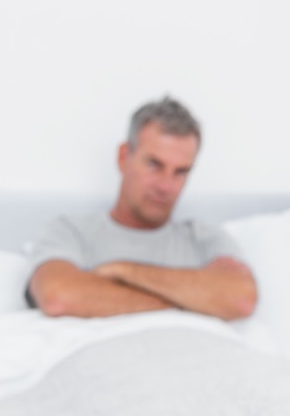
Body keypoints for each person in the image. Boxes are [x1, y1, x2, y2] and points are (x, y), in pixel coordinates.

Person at [26, 97, 258, 320]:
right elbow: (58, 296)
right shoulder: (71, 231)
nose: (166, 186)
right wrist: (198, 299)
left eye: (181, 172)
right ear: (124, 157)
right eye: (154, 165)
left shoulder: (202, 237)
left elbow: (241, 299)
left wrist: (122, 271)